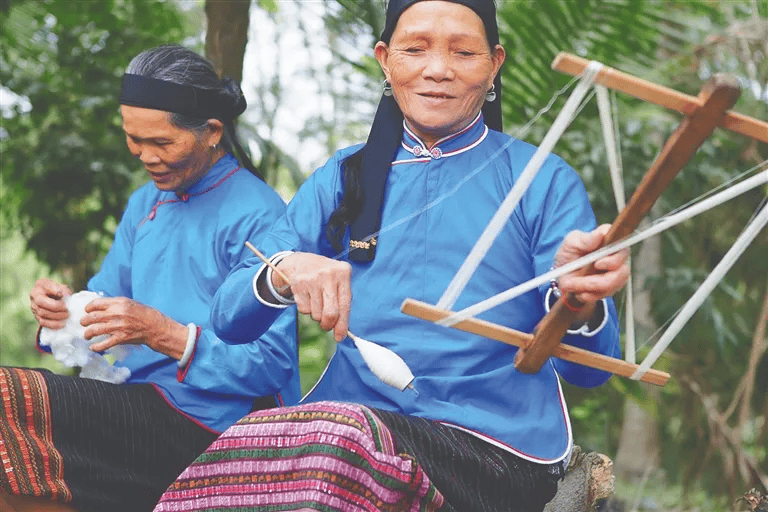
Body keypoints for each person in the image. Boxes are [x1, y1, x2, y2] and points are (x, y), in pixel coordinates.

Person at [155, 2, 630, 511]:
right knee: (241, 451)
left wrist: (579, 300)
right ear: (385, 59)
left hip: (494, 442)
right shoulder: (344, 177)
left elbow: (591, 371)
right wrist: (282, 271)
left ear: (495, 63)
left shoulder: (543, 180)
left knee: (344, 440)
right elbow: (229, 319)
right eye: (414, 48)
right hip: (346, 422)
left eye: (463, 52)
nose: (438, 69)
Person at [0, 45, 300, 512]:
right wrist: (61, 313)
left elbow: (271, 365)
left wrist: (164, 334)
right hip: (137, 401)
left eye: (162, 143)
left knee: (7, 400)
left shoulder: (258, 215)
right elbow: (105, 306)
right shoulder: (146, 205)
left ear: (212, 133)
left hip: (215, 425)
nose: (145, 156)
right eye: (133, 139)